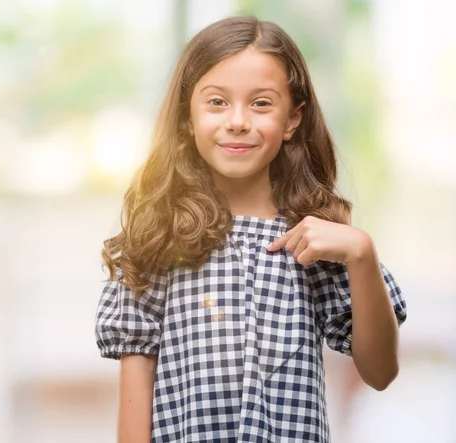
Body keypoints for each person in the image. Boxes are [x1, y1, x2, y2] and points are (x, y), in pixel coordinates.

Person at [94, 15, 407, 443]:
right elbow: (136, 388)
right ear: (188, 116)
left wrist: (362, 253)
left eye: (261, 103)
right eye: (217, 102)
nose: (238, 121)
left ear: (293, 119)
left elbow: (381, 372)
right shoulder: (162, 237)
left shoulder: (316, 239)